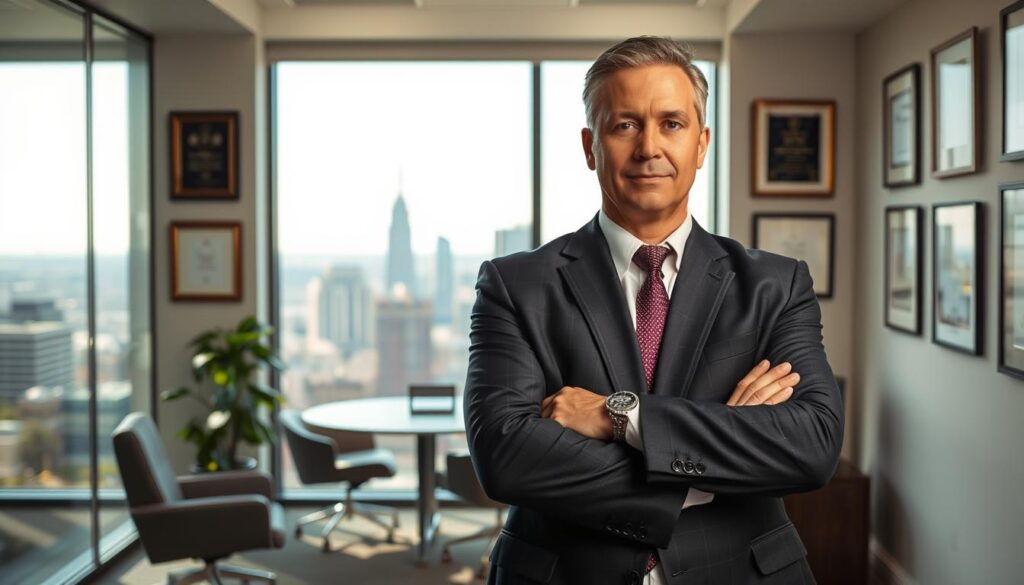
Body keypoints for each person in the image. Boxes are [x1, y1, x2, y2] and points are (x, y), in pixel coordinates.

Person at [464, 36, 843, 585]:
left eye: (671, 123)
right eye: (624, 125)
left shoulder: (775, 285)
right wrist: (723, 456)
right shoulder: (514, 284)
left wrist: (621, 416)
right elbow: (506, 457)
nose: (649, 148)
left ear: (701, 144)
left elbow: (812, 445)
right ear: (591, 146)